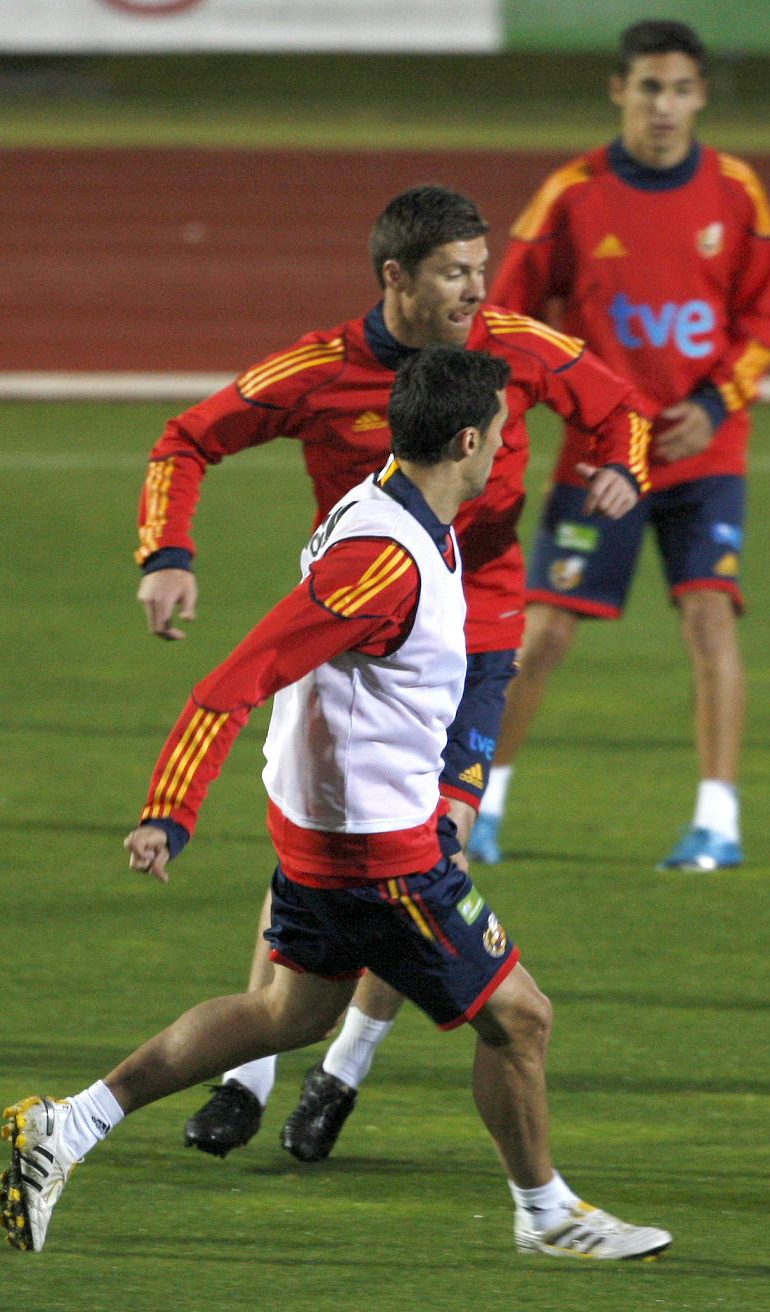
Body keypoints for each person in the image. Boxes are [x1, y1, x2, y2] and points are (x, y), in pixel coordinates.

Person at [0, 346, 670, 1262]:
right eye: (504, 435)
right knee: (521, 1019)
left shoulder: (388, 502)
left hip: (327, 830)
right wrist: (170, 808)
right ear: (468, 439)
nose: (508, 451)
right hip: (377, 856)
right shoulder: (381, 562)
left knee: (285, 1013)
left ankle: (67, 1125)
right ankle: (545, 1211)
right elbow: (235, 680)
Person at [133, 185, 650, 1164]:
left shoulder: (514, 346)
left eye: (479, 270)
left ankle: (343, 1069)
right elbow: (186, 438)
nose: (474, 291)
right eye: (453, 272)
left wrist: (623, 467)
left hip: (475, 645)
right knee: (319, 853)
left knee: (426, 849)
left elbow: (620, 410)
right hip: (344, 639)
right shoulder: (319, 371)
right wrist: (167, 553)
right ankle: (252, 1072)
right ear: (395, 277)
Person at [474, 17, 770, 873]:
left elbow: (760, 318)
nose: (665, 106)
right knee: (542, 636)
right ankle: (481, 807)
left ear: (701, 97)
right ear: (620, 92)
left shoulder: (738, 194)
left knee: (710, 618)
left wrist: (717, 402)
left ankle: (717, 823)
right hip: (601, 457)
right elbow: (507, 319)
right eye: (650, 87)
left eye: (682, 89)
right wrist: (568, 403)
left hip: (704, 454)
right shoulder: (573, 194)